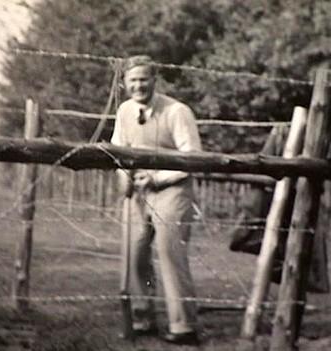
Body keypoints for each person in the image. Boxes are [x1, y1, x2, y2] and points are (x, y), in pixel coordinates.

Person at [110, 55, 202, 346]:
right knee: (135, 254)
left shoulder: (177, 111)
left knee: (169, 253)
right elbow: (118, 148)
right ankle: (142, 317)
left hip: (172, 189)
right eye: (132, 80)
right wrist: (124, 176)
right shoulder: (125, 111)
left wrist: (158, 178)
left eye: (143, 79)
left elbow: (192, 158)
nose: (138, 85)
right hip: (137, 190)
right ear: (125, 83)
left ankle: (183, 325)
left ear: (154, 80)